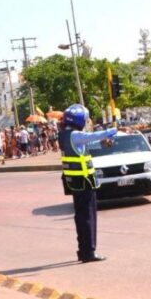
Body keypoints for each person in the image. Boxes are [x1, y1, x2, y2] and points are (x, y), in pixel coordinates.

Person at [58, 104, 117, 263]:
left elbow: (87, 145)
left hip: (76, 183)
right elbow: (94, 136)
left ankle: (83, 250)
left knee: (81, 217)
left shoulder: (66, 135)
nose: (87, 121)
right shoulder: (75, 135)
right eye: (85, 119)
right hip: (84, 183)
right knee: (88, 218)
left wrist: (104, 142)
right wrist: (113, 130)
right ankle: (88, 252)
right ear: (79, 120)